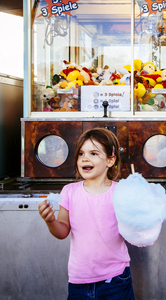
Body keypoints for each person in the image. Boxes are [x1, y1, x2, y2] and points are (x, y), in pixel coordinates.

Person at [38, 128, 135, 300]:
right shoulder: (69, 192)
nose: (84, 158)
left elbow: (134, 231)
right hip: (79, 280)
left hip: (116, 278)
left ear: (110, 160)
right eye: (81, 153)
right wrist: (50, 220)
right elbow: (62, 232)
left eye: (93, 153)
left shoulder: (121, 192)